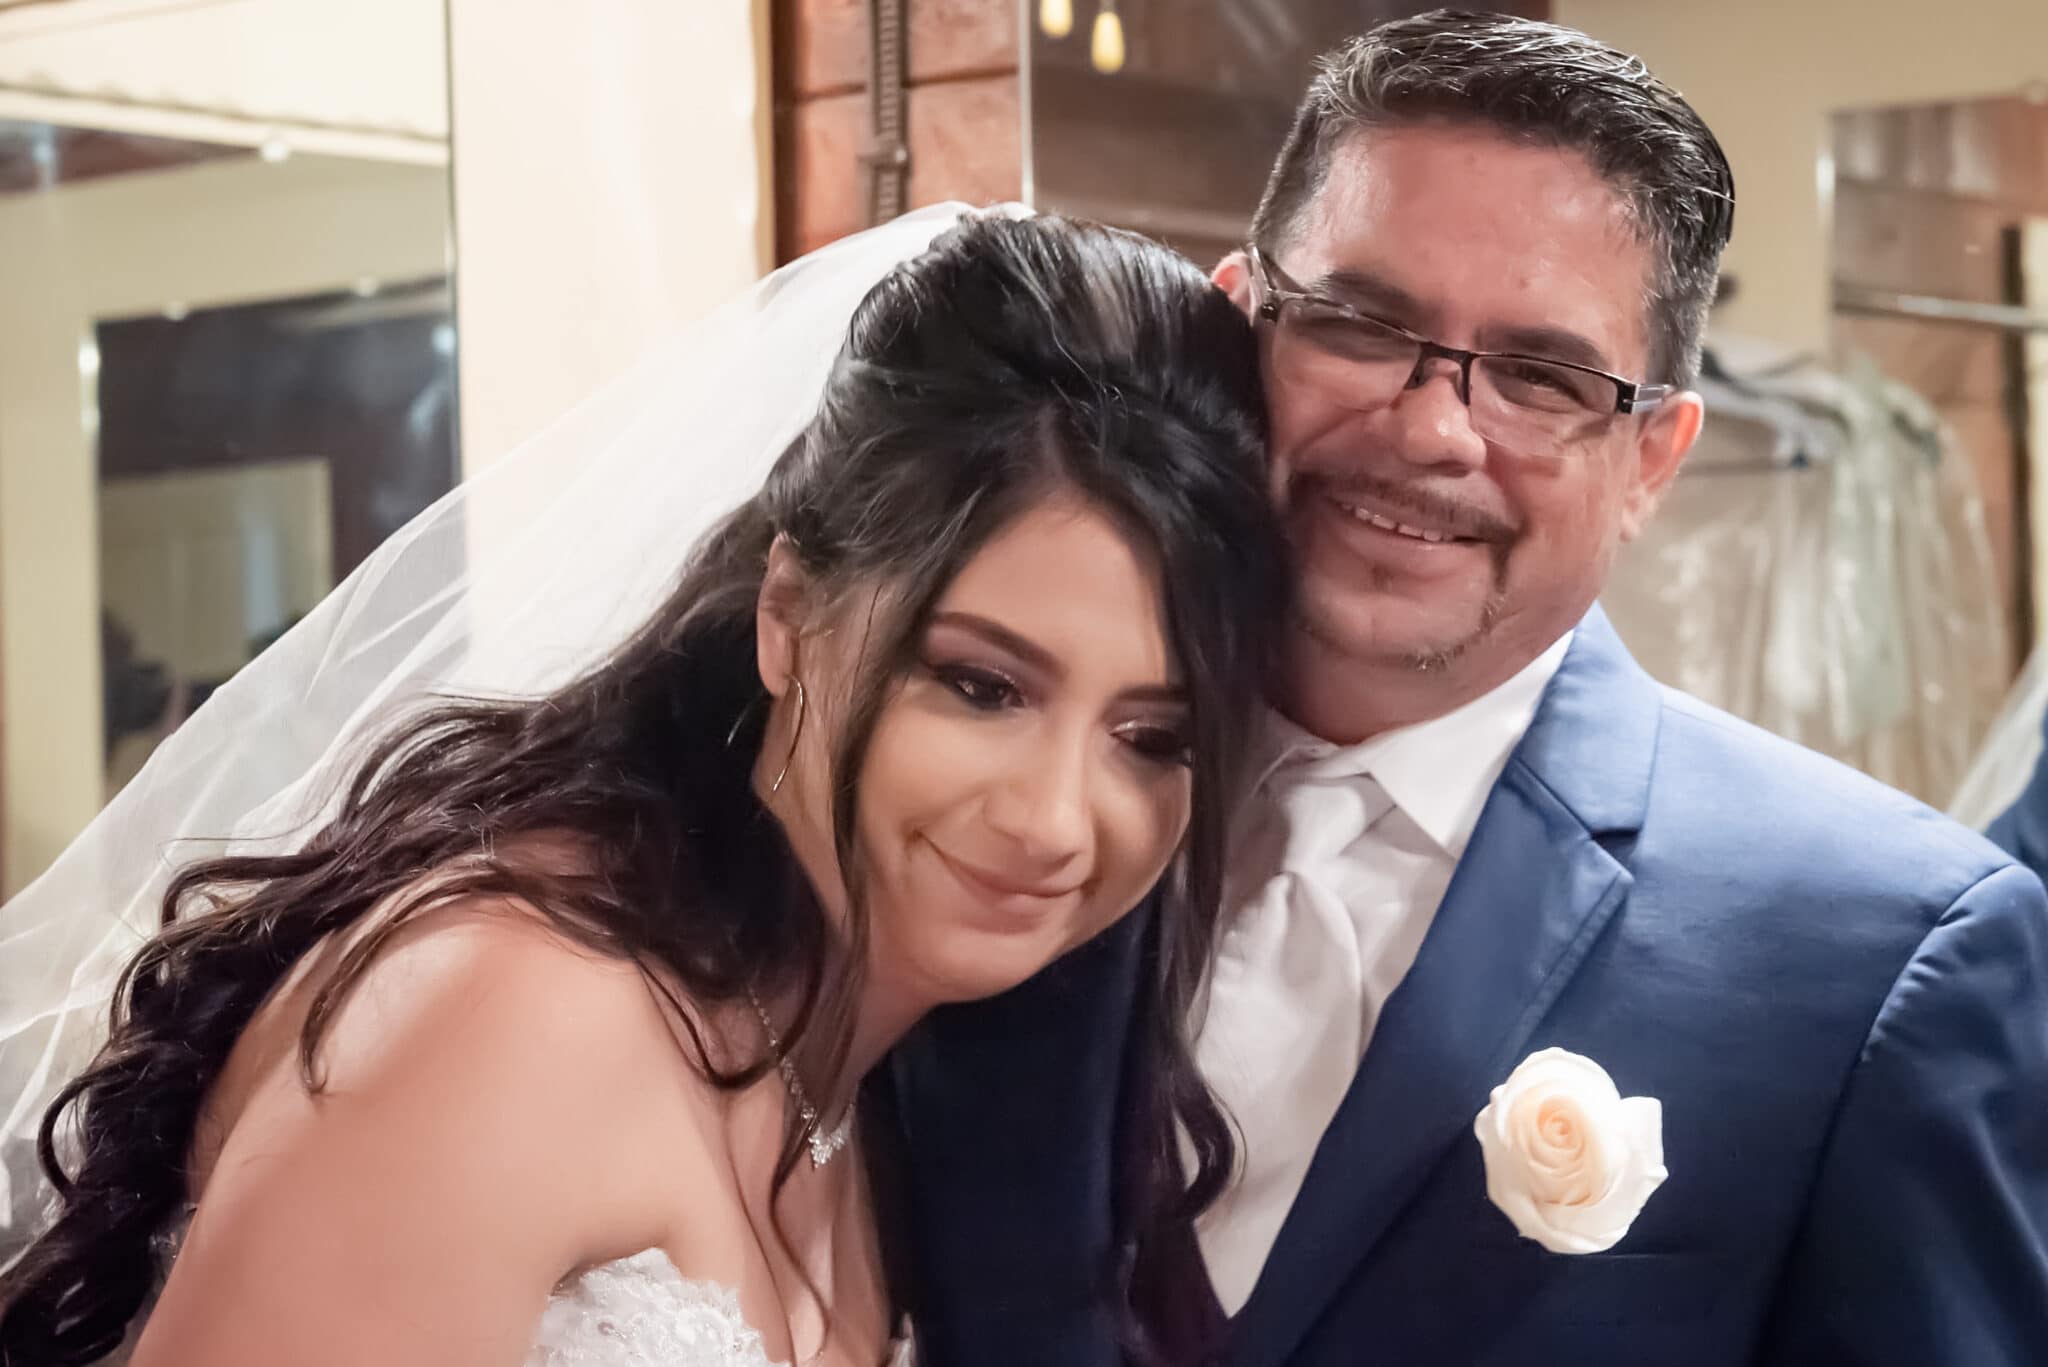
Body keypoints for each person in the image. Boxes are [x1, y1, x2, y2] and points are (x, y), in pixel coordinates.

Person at [888, 13, 2048, 1366]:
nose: (1432, 429)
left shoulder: (1882, 954)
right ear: (1241, 320)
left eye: (1543, 376)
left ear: (1654, 459)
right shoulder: (969, 814)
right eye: (1363, 324)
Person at [0, 211, 1290, 1367]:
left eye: (1150, 738)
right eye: (979, 686)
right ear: (789, 613)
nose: (1057, 820)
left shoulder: (907, 1090)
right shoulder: (523, 1012)